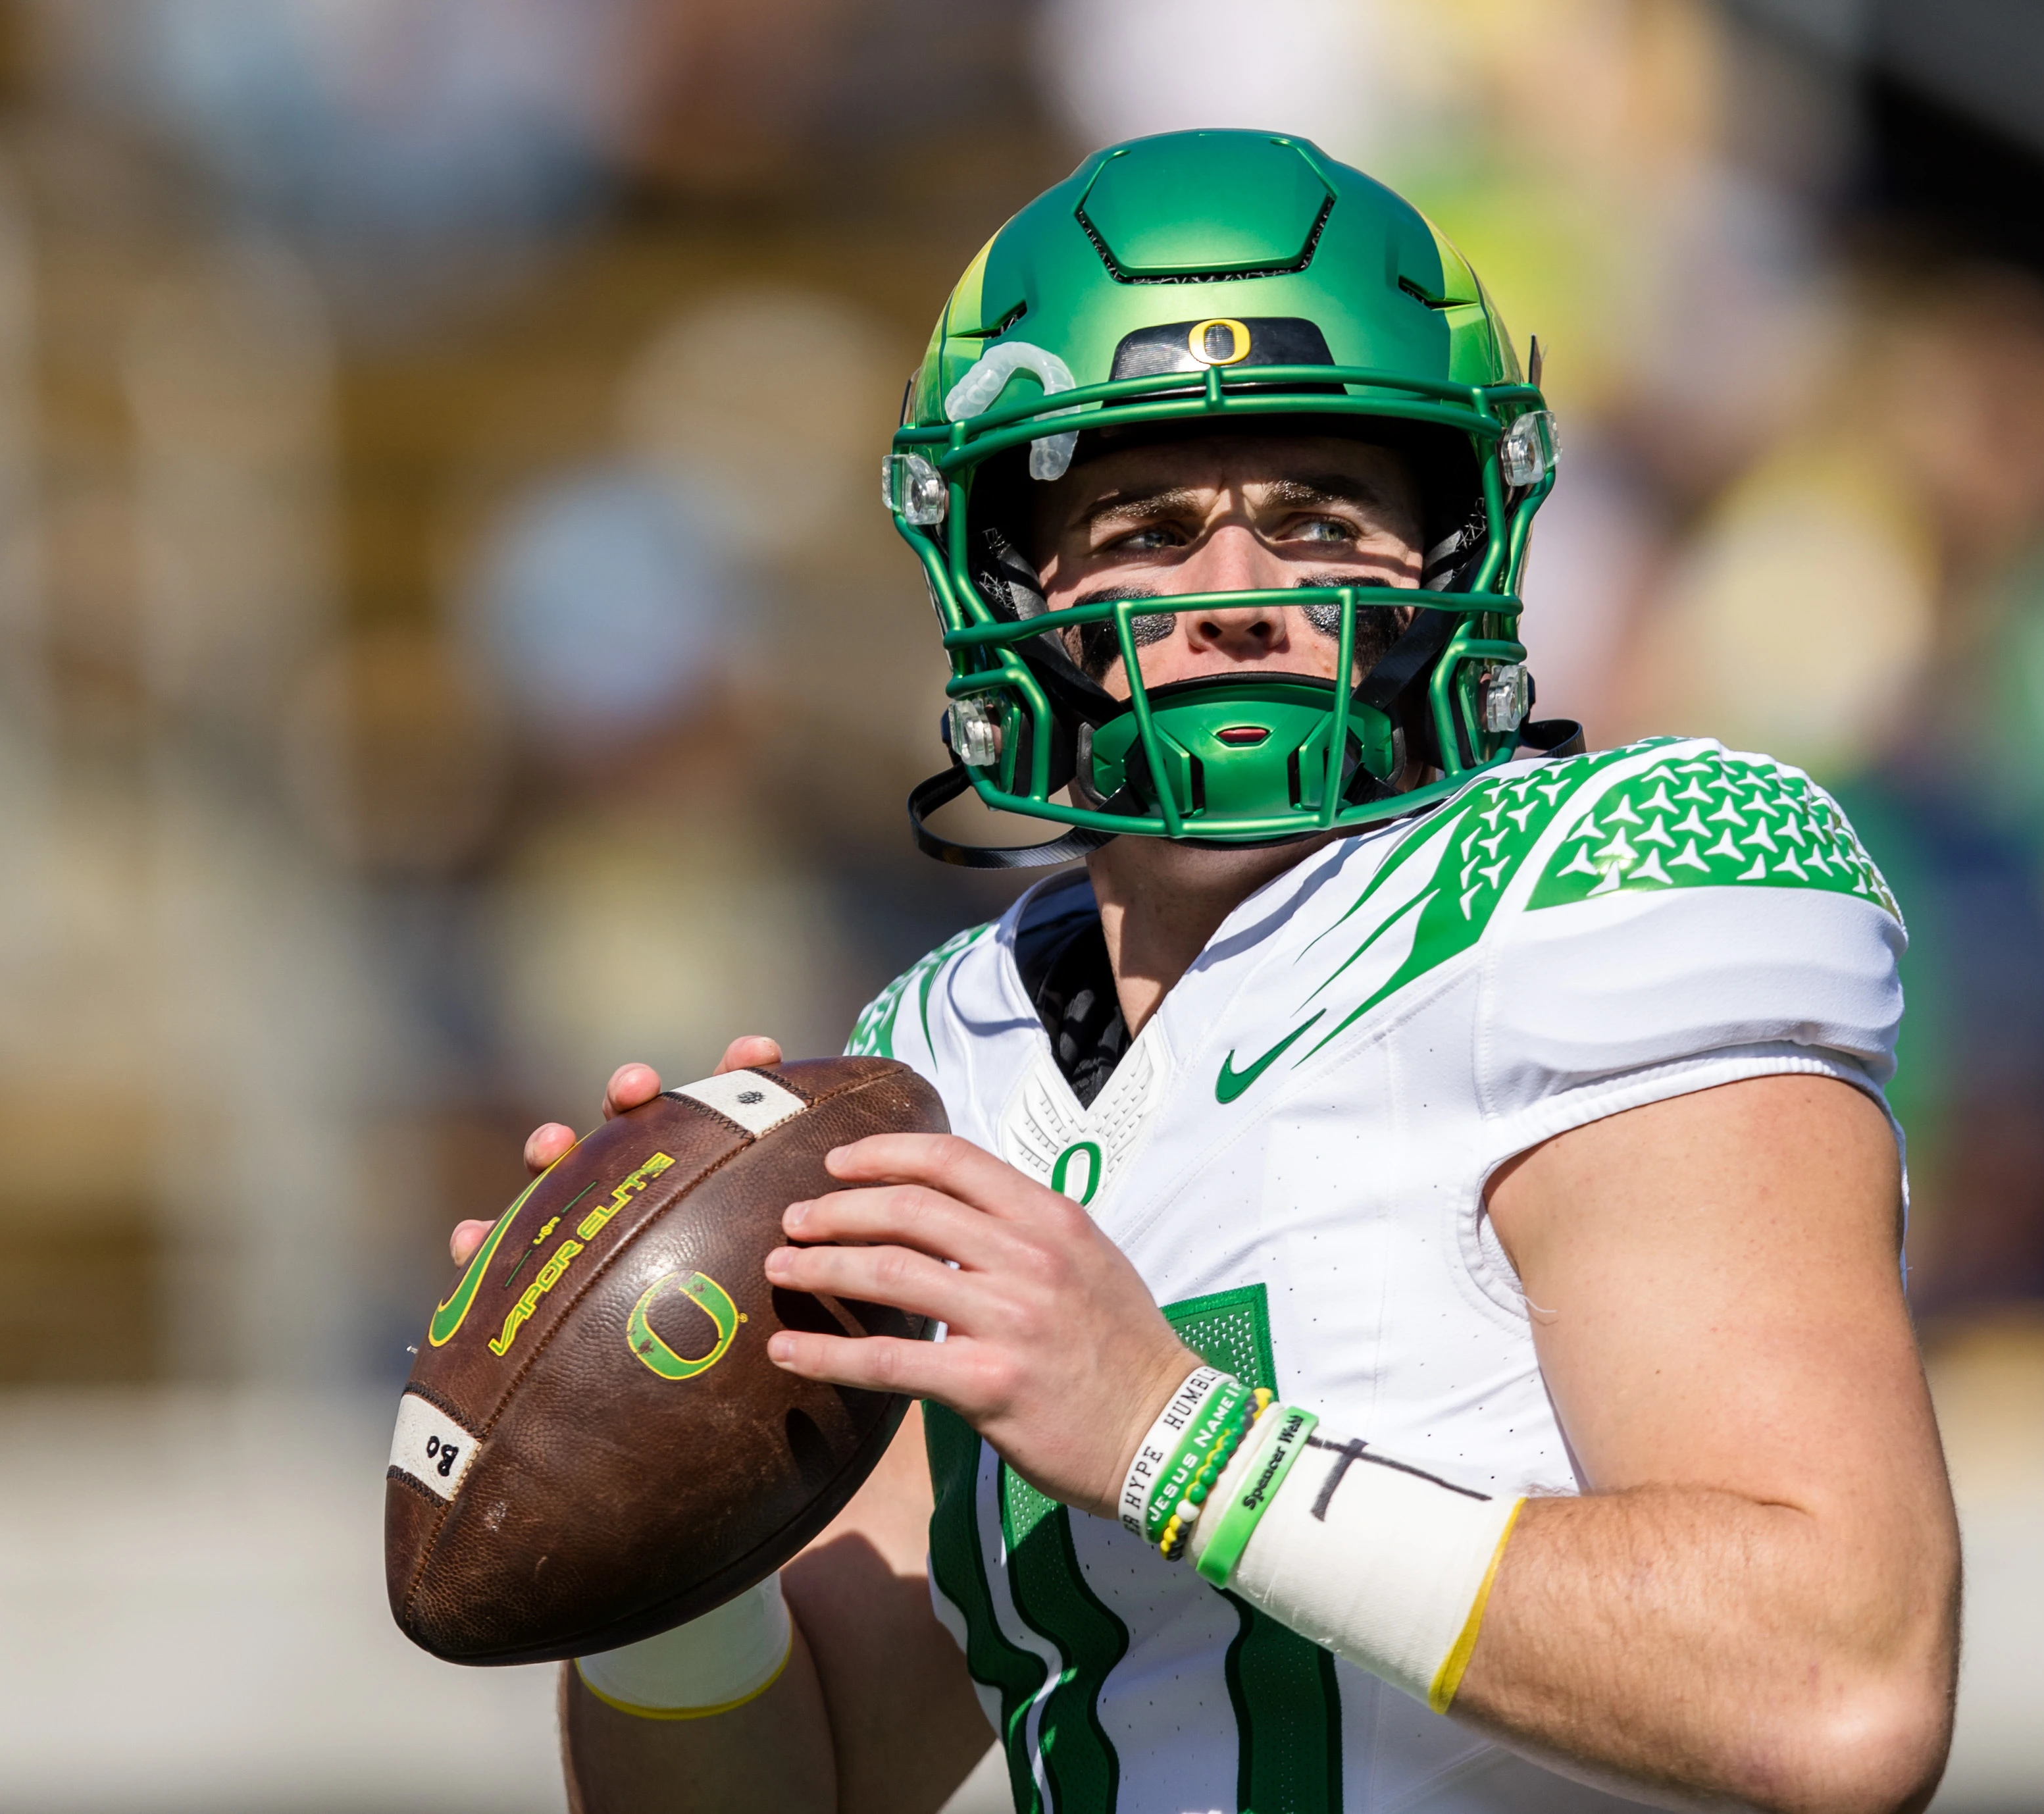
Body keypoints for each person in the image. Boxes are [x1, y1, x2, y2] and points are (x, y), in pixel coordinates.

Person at [459, 130, 1958, 1814]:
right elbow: (803, 1790)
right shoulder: (951, 1045)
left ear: (1451, 549)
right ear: (1021, 583)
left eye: (1319, 517)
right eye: (1146, 525)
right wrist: (650, 1493)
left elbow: (1833, 1684)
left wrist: (1169, 1436)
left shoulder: (1608, 878)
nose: (1232, 593)